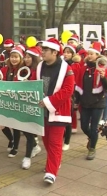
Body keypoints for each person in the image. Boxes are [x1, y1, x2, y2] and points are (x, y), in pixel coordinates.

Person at [35, 38, 75, 184]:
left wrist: (48, 102)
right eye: (42, 49)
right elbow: (34, 83)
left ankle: (51, 172)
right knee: (45, 140)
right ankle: (55, 161)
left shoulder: (66, 69)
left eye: (45, 50)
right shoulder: (40, 66)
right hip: (42, 110)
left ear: (54, 52)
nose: (42, 52)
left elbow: (67, 90)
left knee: (55, 142)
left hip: (58, 111)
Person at [0, 46, 41, 169]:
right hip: (19, 103)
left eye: (29, 57)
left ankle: (27, 157)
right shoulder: (23, 70)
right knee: (24, 129)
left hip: (32, 104)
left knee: (28, 131)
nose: (27, 59)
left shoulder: (38, 70)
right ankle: (33, 146)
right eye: (26, 57)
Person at [75, 42, 107, 160]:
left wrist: (103, 77)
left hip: (98, 103)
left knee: (93, 128)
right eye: (88, 53)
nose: (89, 55)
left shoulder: (103, 69)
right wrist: (76, 101)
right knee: (84, 126)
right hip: (85, 102)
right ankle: (92, 138)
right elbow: (78, 86)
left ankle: (92, 149)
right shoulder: (84, 68)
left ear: (97, 56)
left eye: (92, 54)